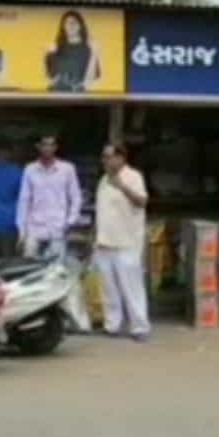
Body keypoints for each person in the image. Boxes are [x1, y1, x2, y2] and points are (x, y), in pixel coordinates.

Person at [94, 143, 151, 342]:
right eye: (103, 157)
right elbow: (101, 211)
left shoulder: (133, 176)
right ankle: (112, 325)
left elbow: (142, 202)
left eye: (108, 156)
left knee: (131, 287)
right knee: (108, 289)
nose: (105, 160)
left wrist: (123, 187)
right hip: (104, 242)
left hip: (127, 243)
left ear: (121, 158)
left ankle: (139, 327)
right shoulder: (103, 180)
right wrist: (95, 237)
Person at [17, 134, 82, 261]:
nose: (48, 148)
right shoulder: (30, 169)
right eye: (45, 145)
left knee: (55, 268)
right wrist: (21, 230)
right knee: (29, 265)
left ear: (56, 147)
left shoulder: (67, 169)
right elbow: (24, 200)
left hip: (58, 228)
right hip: (34, 228)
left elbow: (76, 197)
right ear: (38, 147)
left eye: (51, 145)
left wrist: (70, 221)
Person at [45, 10, 101, 92]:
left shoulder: (88, 48)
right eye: (67, 23)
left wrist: (94, 52)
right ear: (63, 27)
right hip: (55, 94)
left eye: (74, 22)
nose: (70, 25)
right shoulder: (56, 48)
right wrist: (49, 56)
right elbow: (51, 78)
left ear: (80, 26)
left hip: (77, 95)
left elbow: (90, 80)